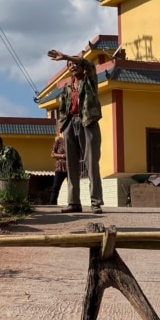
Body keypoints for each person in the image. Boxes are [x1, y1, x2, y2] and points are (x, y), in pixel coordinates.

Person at [47, 49, 104, 214]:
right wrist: (63, 126)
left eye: (74, 63)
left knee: (91, 163)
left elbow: (89, 64)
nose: (72, 66)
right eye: (69, 65)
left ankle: (95, 203)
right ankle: (73, 202)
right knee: (71, 165)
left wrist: (65, 56)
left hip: (88, 121)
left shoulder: (90, 80)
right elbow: (63, 108)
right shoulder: (66, 87)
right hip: (71, 123)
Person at [48, 135, 67, 205]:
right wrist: (62, 156)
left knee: (72, 187)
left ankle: (73, 204)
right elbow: (52, 154)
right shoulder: (59, 141)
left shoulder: (73, 140)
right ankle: (52, 204)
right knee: (55, 186)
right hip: (59, 167)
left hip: (70, 167)